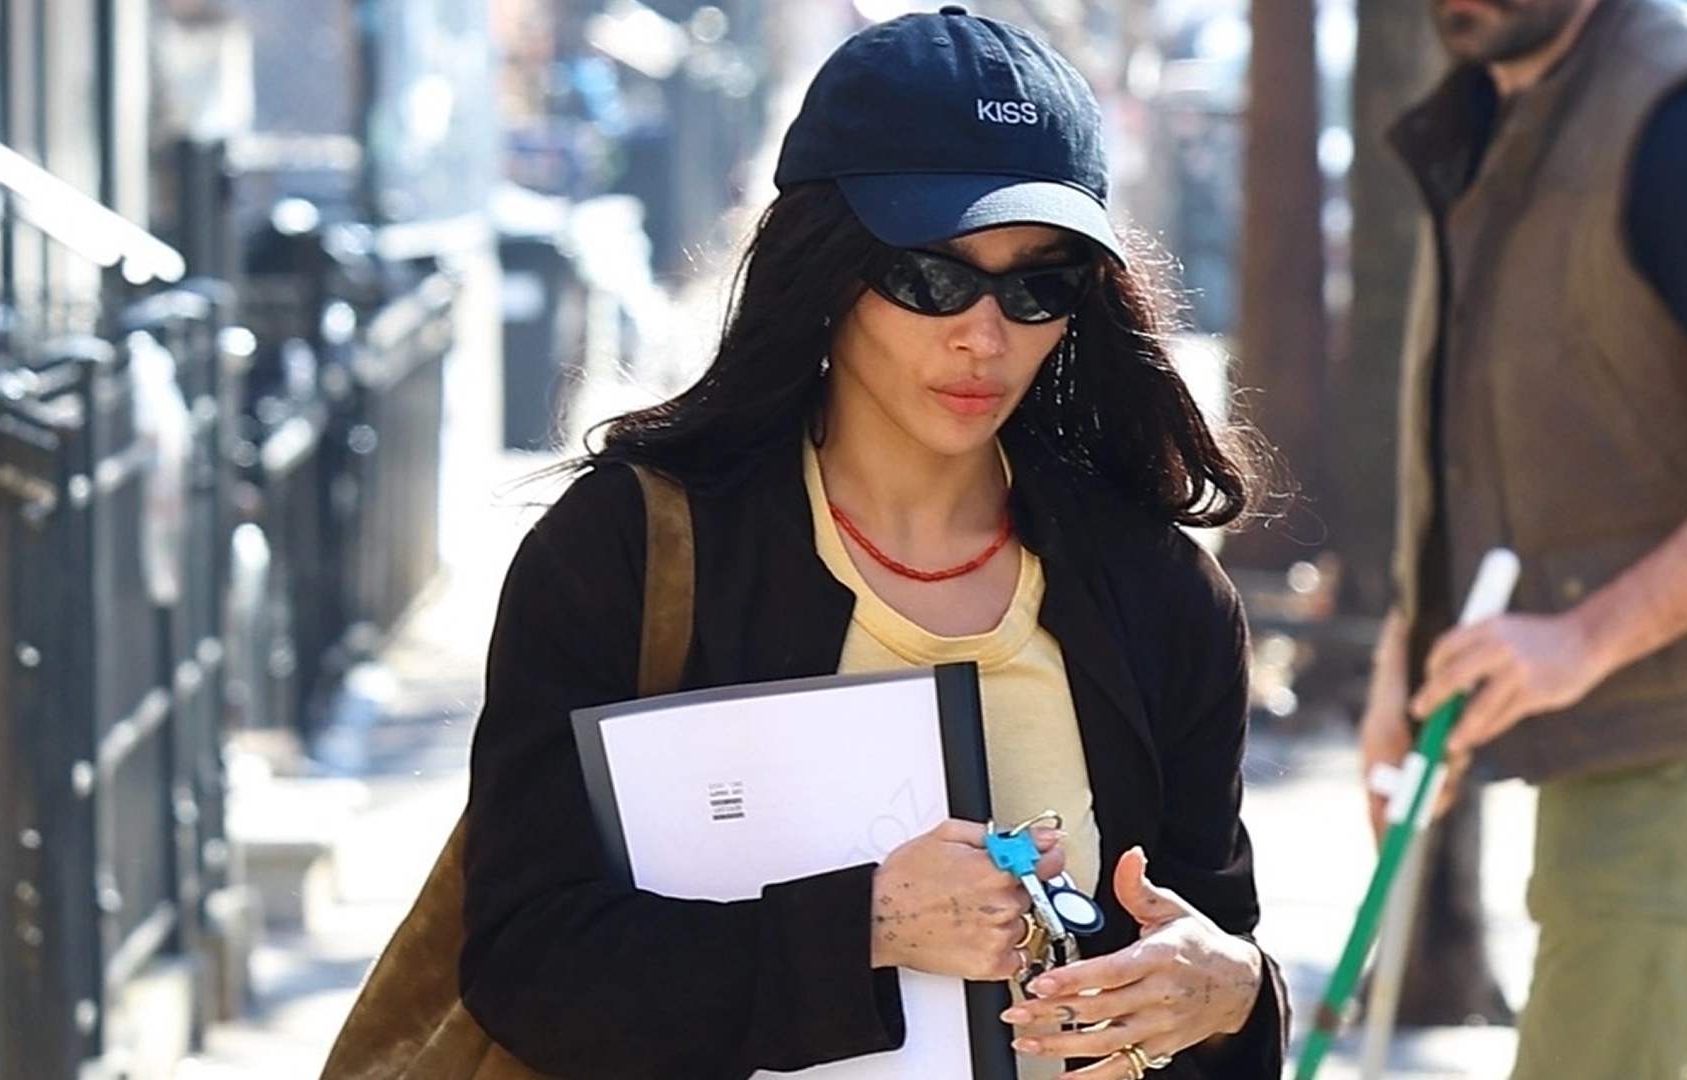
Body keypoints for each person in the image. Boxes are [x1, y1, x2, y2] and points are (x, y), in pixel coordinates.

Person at [456, 7, 1288, 1080]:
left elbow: (1209, 956)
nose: (984, 335)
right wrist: (867, 924)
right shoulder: (628, 552)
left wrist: (1232, 994)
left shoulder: (1162, 595)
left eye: (1037, 286)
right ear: (827, 266)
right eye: (932, 278)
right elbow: (526, 967)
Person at [1356, 0, 1687, 1074]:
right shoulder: (1507, 110)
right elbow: (1495, 445)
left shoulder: (1684, 123)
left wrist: (1587, 638)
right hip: (1649, 728)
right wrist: (1407, 656)